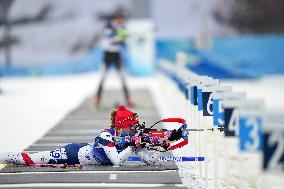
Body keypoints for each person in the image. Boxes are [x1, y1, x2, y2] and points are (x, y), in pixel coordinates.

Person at [0, 106, 164, 166]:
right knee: (29, 160)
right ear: (121, 126)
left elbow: (151, 161)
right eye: (131, 126)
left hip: (82, 154)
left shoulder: (130, 138)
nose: (134, 129)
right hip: (73, 154)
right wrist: (131, 147)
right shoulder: (106, 136)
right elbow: (116, 161)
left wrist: (161, 148)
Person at [95, 13, 134, 108]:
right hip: (107, 55)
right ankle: (97, 100)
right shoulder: (108, 26)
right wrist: (117, 37)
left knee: (122, 77)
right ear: (117, 19)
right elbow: (106, 41)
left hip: (117, 55)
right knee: (103, 77)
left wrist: (124, 37)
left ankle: (128, 99)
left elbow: (123, 41)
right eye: (121, 19)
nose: (122, 21)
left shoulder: (122, 28)